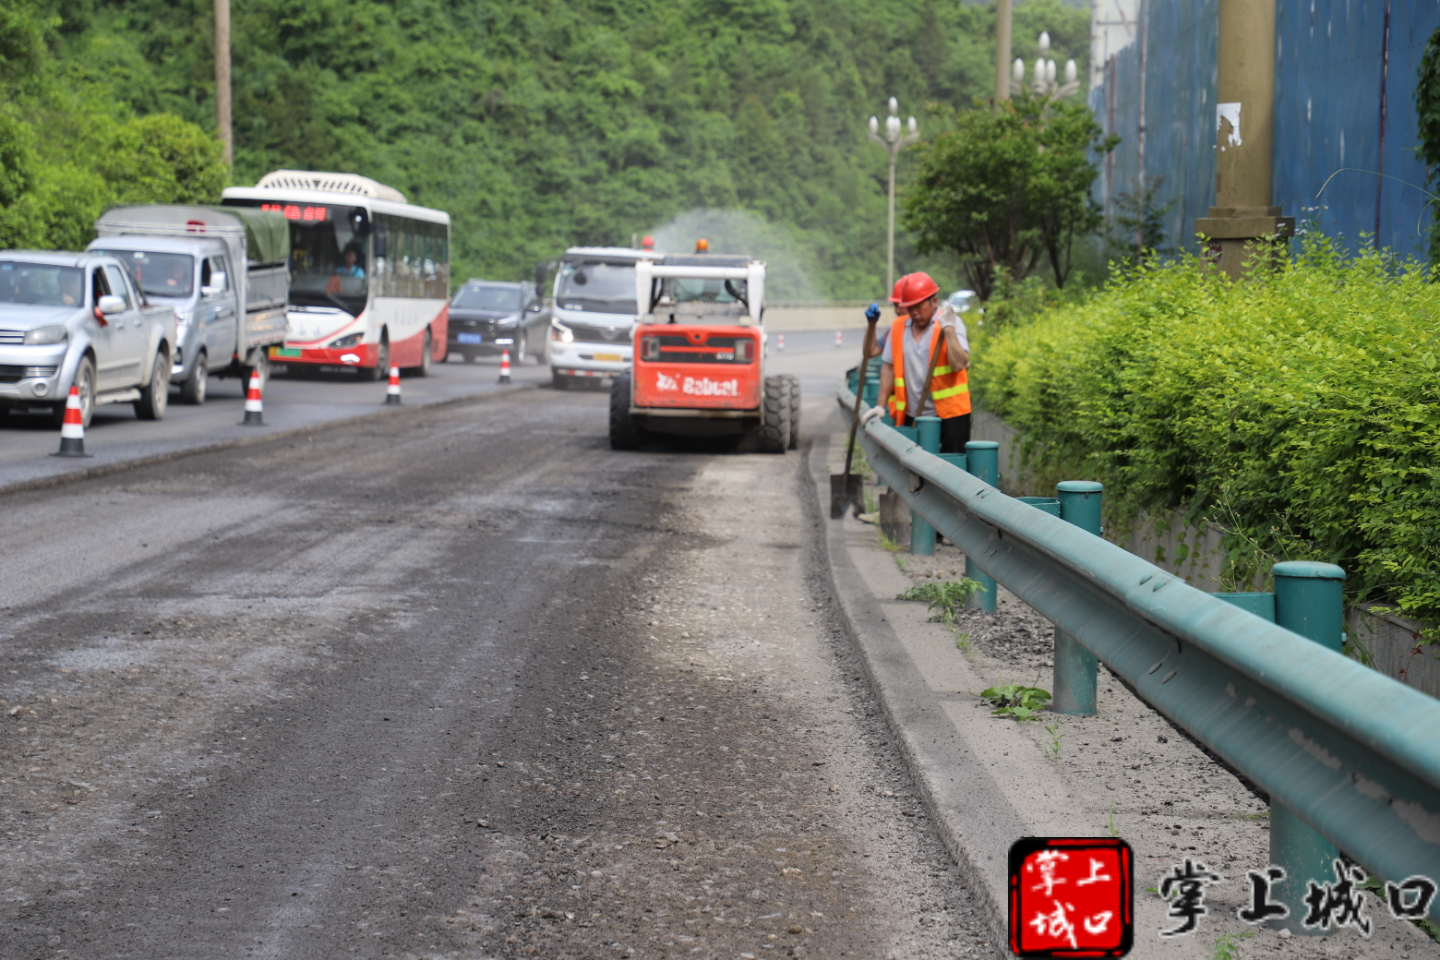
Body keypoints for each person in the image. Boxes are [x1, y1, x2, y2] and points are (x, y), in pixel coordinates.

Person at [867, 271, 971, 453]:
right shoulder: (899, 327)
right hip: (912, 415)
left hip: (951, 416)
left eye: (919, 306)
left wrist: (949, 330)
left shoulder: (952, 324)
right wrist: (880, 406)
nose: (914, 312)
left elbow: (959, 364)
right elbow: (889, 368)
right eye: (910, 306)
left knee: (950, 468)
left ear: (934, 302)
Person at [869, 276, 908, 358]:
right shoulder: (895, 330)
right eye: (895, 306)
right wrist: (871, 325)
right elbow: (870, 352)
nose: (897, 311)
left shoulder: (932, 329)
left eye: (900, 306)